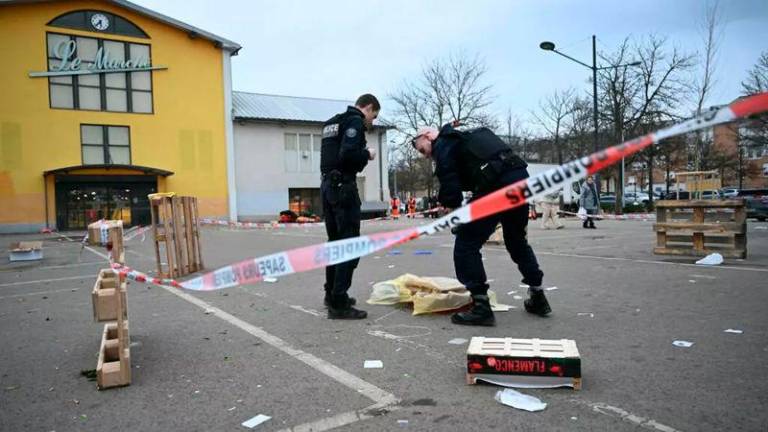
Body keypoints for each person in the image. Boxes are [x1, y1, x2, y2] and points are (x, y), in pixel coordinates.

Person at [410, 124, 551, 326]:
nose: (425, 156)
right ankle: (538, 296)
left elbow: (449, 179)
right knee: (517, 241)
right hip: (518, 179)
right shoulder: (466, 137)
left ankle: (481, 307)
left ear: (428, 136)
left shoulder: (443, 143)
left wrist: (453, 211)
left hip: (496, 184)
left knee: (466, 243)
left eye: (422, 149)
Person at [320, 94, 380, 319]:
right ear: (369, 107)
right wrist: (368, 154)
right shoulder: (354, 121)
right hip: (343, 188)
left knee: (334, 243)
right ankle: (339, 302)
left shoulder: (331, 123)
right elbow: (348, 155)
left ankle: (331, 293)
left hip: (327, 186)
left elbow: (332, 156)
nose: (371, 123)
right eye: (373, 117)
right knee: (348, 244)